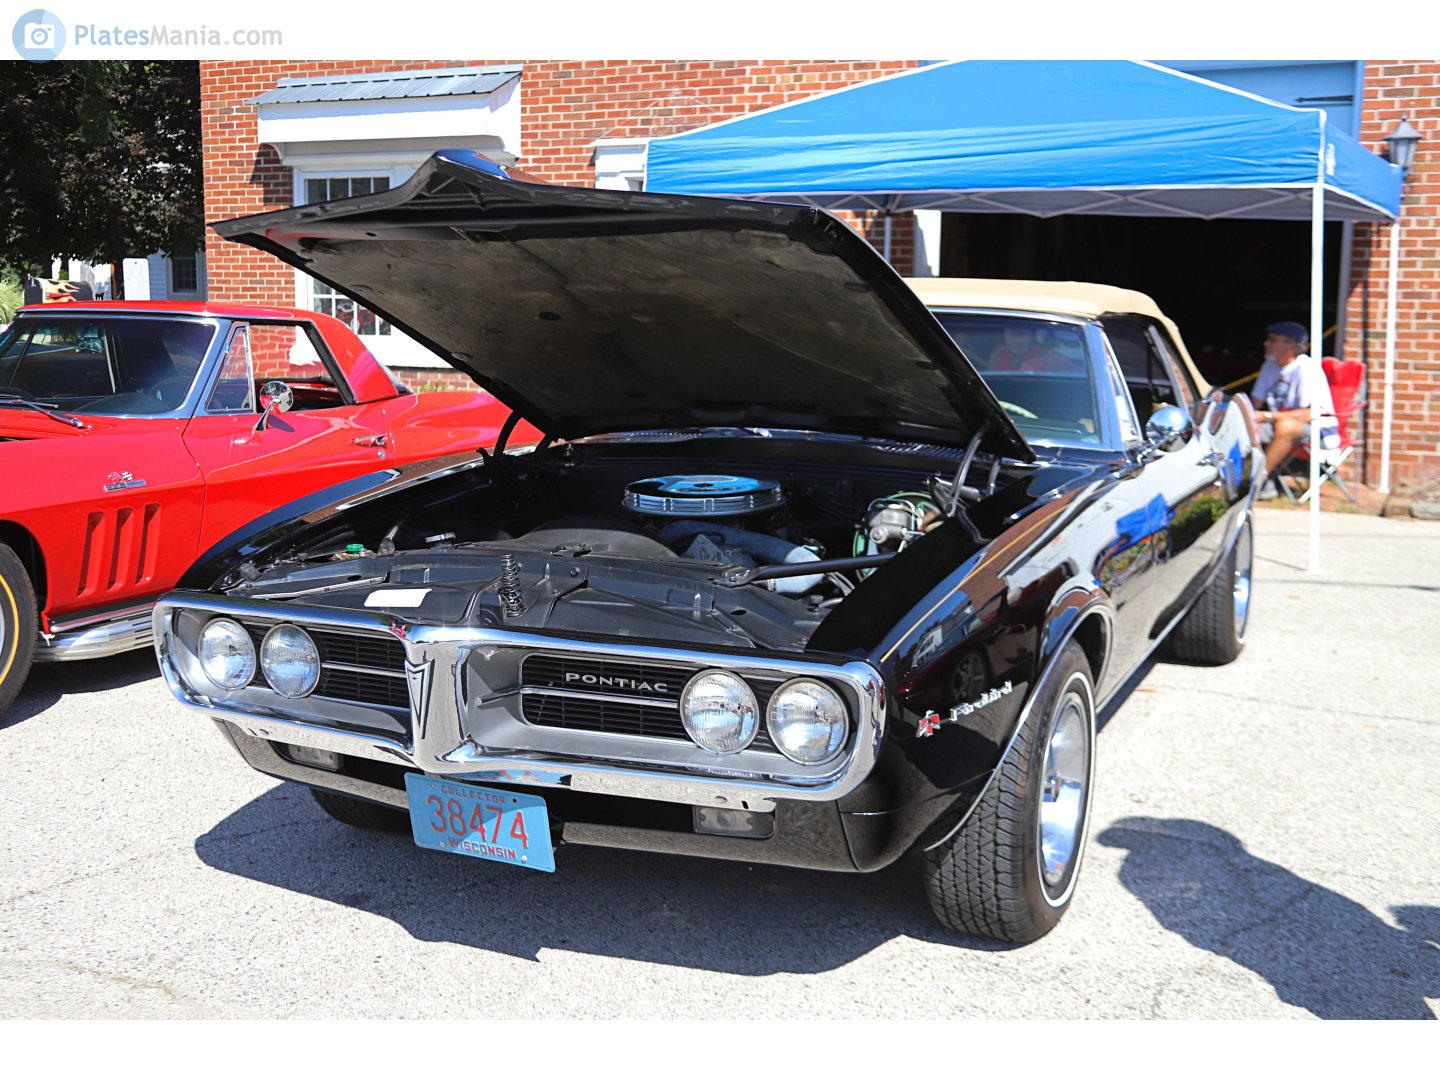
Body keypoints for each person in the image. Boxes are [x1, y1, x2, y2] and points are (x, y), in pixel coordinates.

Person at [1249, 321, 1339, 477]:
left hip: (1319, 432)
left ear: (1290, 346)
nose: (1266, 343)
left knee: (1286, 425)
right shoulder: (1270, 364)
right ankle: (1247, 479)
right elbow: (1254, 402)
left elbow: (1310, 414)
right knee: (1244, 426)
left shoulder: (1306, 368)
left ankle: (1258, 480)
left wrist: (1267, 416)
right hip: (1279, 424)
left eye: (1272, 340)